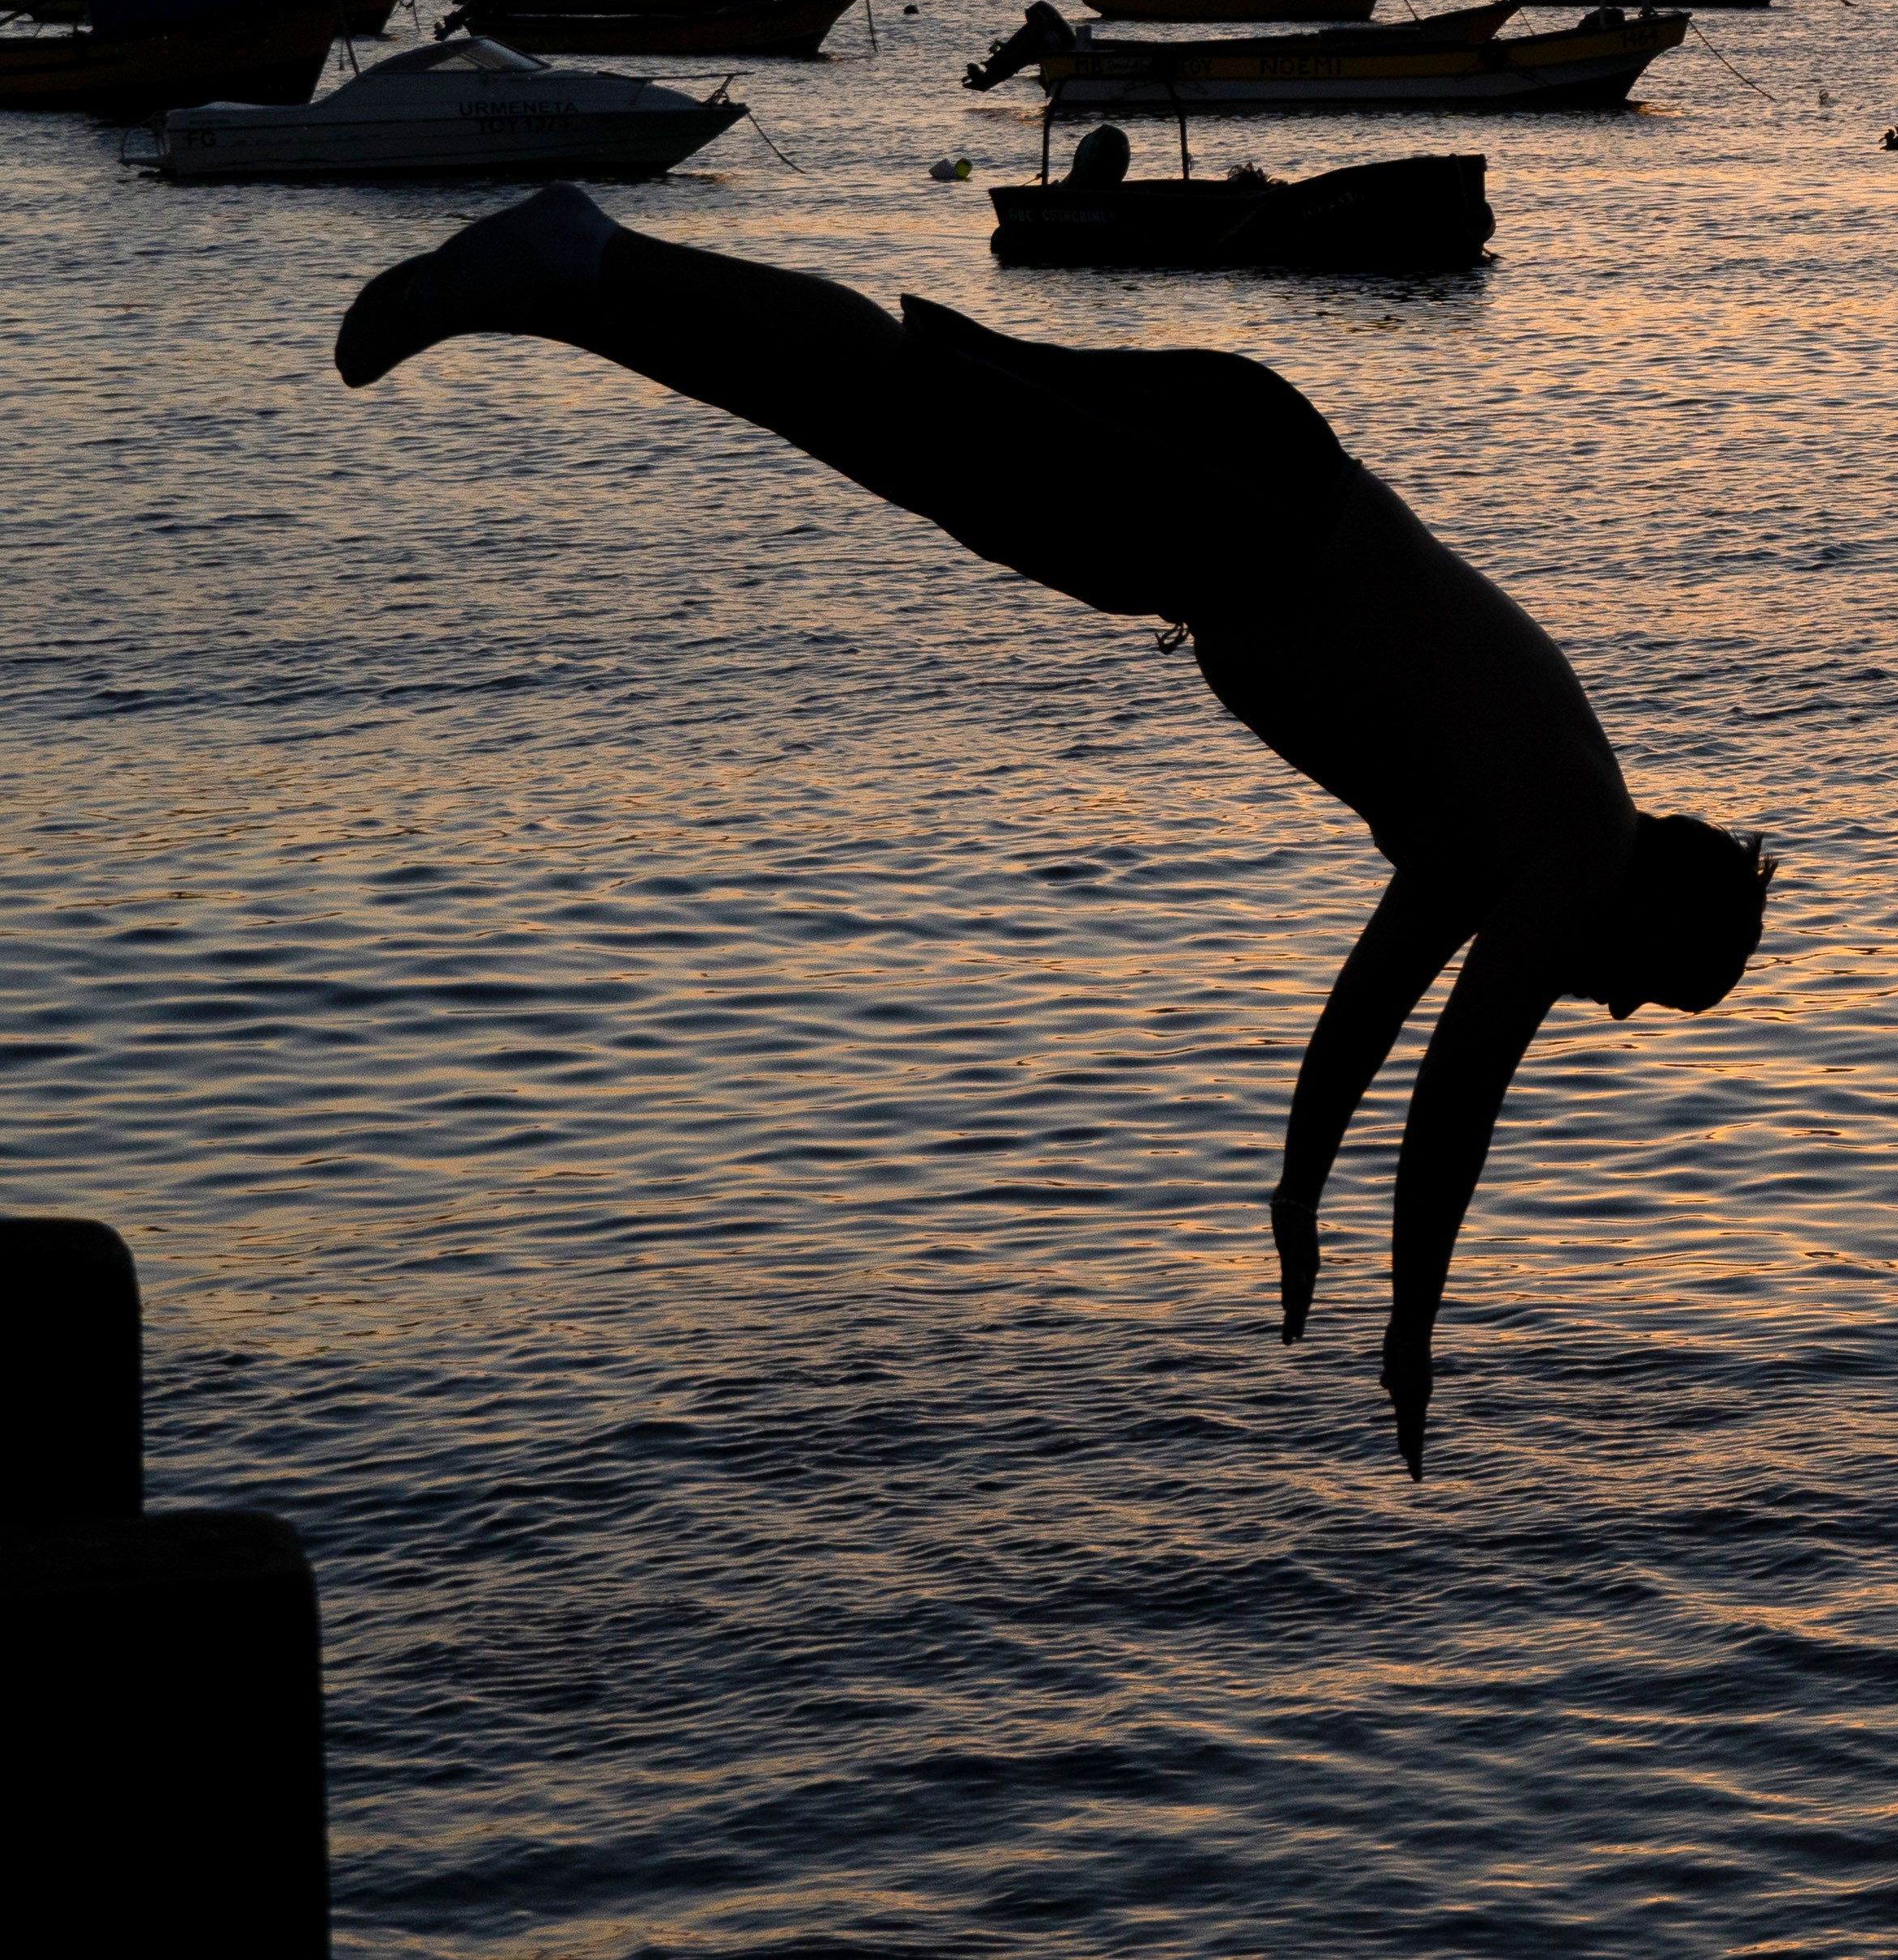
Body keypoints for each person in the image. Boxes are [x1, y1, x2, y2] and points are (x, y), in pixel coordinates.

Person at [331, 185, 1772, 1476]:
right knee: (893, 411)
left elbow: (1375, 1010)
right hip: (1234, 500)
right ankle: (582, 262)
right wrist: (1412, 1337)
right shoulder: (1582, 842)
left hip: (1238, 471)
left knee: (888, 416)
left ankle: (564, 293)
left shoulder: (1503, 829)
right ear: (1666, 908)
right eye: (1658, 983)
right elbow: (1461, 1093)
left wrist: (1297, 1185)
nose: (1622, 1000)